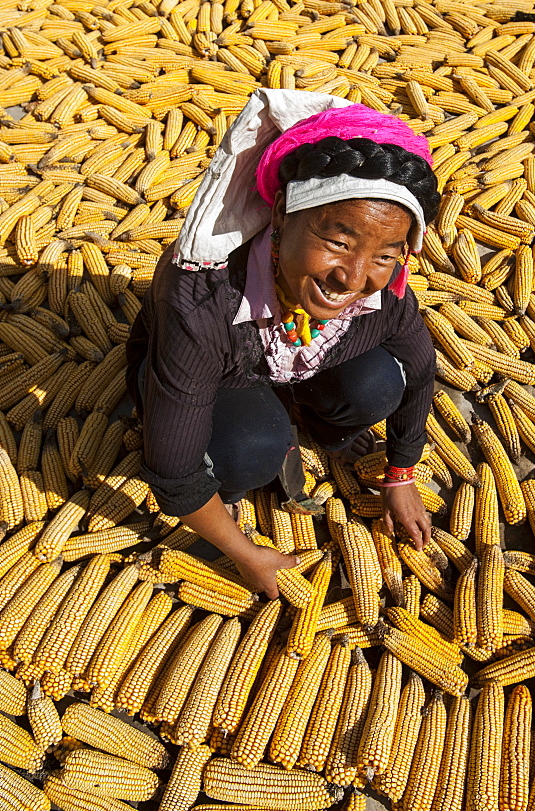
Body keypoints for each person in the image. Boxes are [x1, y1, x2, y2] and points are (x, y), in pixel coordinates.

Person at [126, 89, 440, 599]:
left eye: (384, 254)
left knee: (381, 382)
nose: (353, 277)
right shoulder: (203, 300)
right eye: (337, 242)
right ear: (279, 221)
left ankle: (312, 423)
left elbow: (420, 371)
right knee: (251, 449)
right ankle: (233, 480)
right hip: (221, 369)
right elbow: (171, 471)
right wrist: (245, 554)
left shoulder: (384, 291)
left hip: (296, 364)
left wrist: (401, 472)